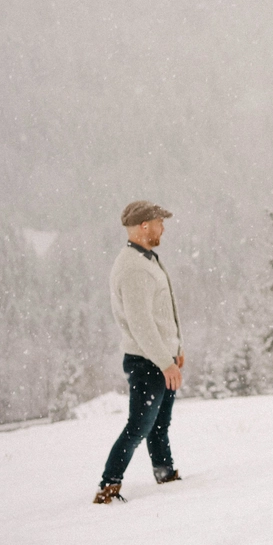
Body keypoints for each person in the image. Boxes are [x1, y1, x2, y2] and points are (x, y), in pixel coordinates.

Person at [93, 200, 186, 504]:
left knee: (158, 426)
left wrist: (176, 349)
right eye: (160, 222)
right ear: (144, 225)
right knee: (139, 427)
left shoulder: (145, 260)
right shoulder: (133, 267)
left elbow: (163, 310)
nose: (163, 228)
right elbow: (141, 323)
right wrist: (165, 362)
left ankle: (166, 475)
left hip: (161, 358)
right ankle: (108, 488)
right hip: (148, 362)